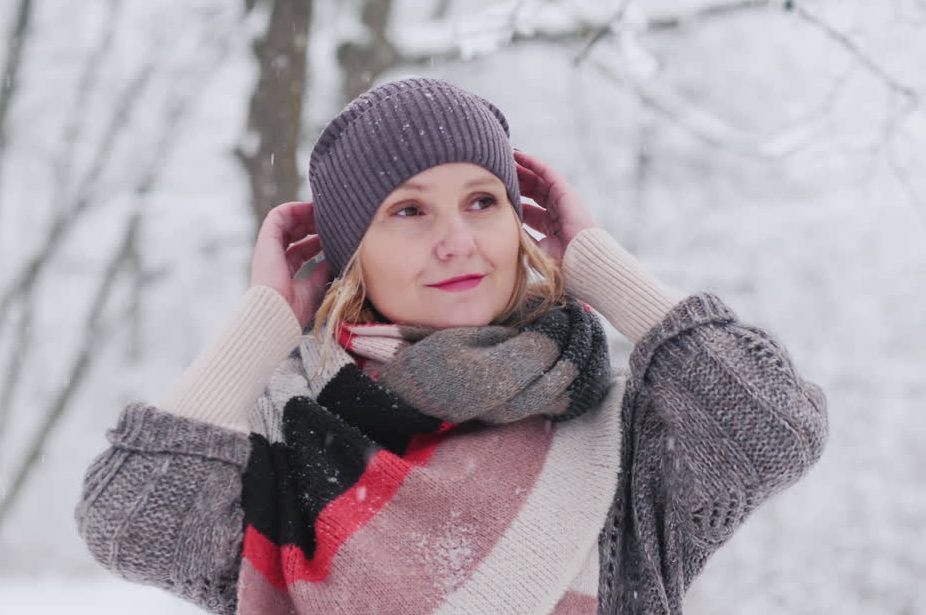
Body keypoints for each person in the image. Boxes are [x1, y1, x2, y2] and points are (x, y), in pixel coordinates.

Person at [74, 77, 828, 614]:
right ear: (349, 257)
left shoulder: (625, 439)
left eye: (482, 201)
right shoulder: (289, 455)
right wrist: (265, 323)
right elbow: (130, 523)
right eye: (408, 211)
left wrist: (606, 271)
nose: (458, 241)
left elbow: (774, 430)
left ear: (520, 224)